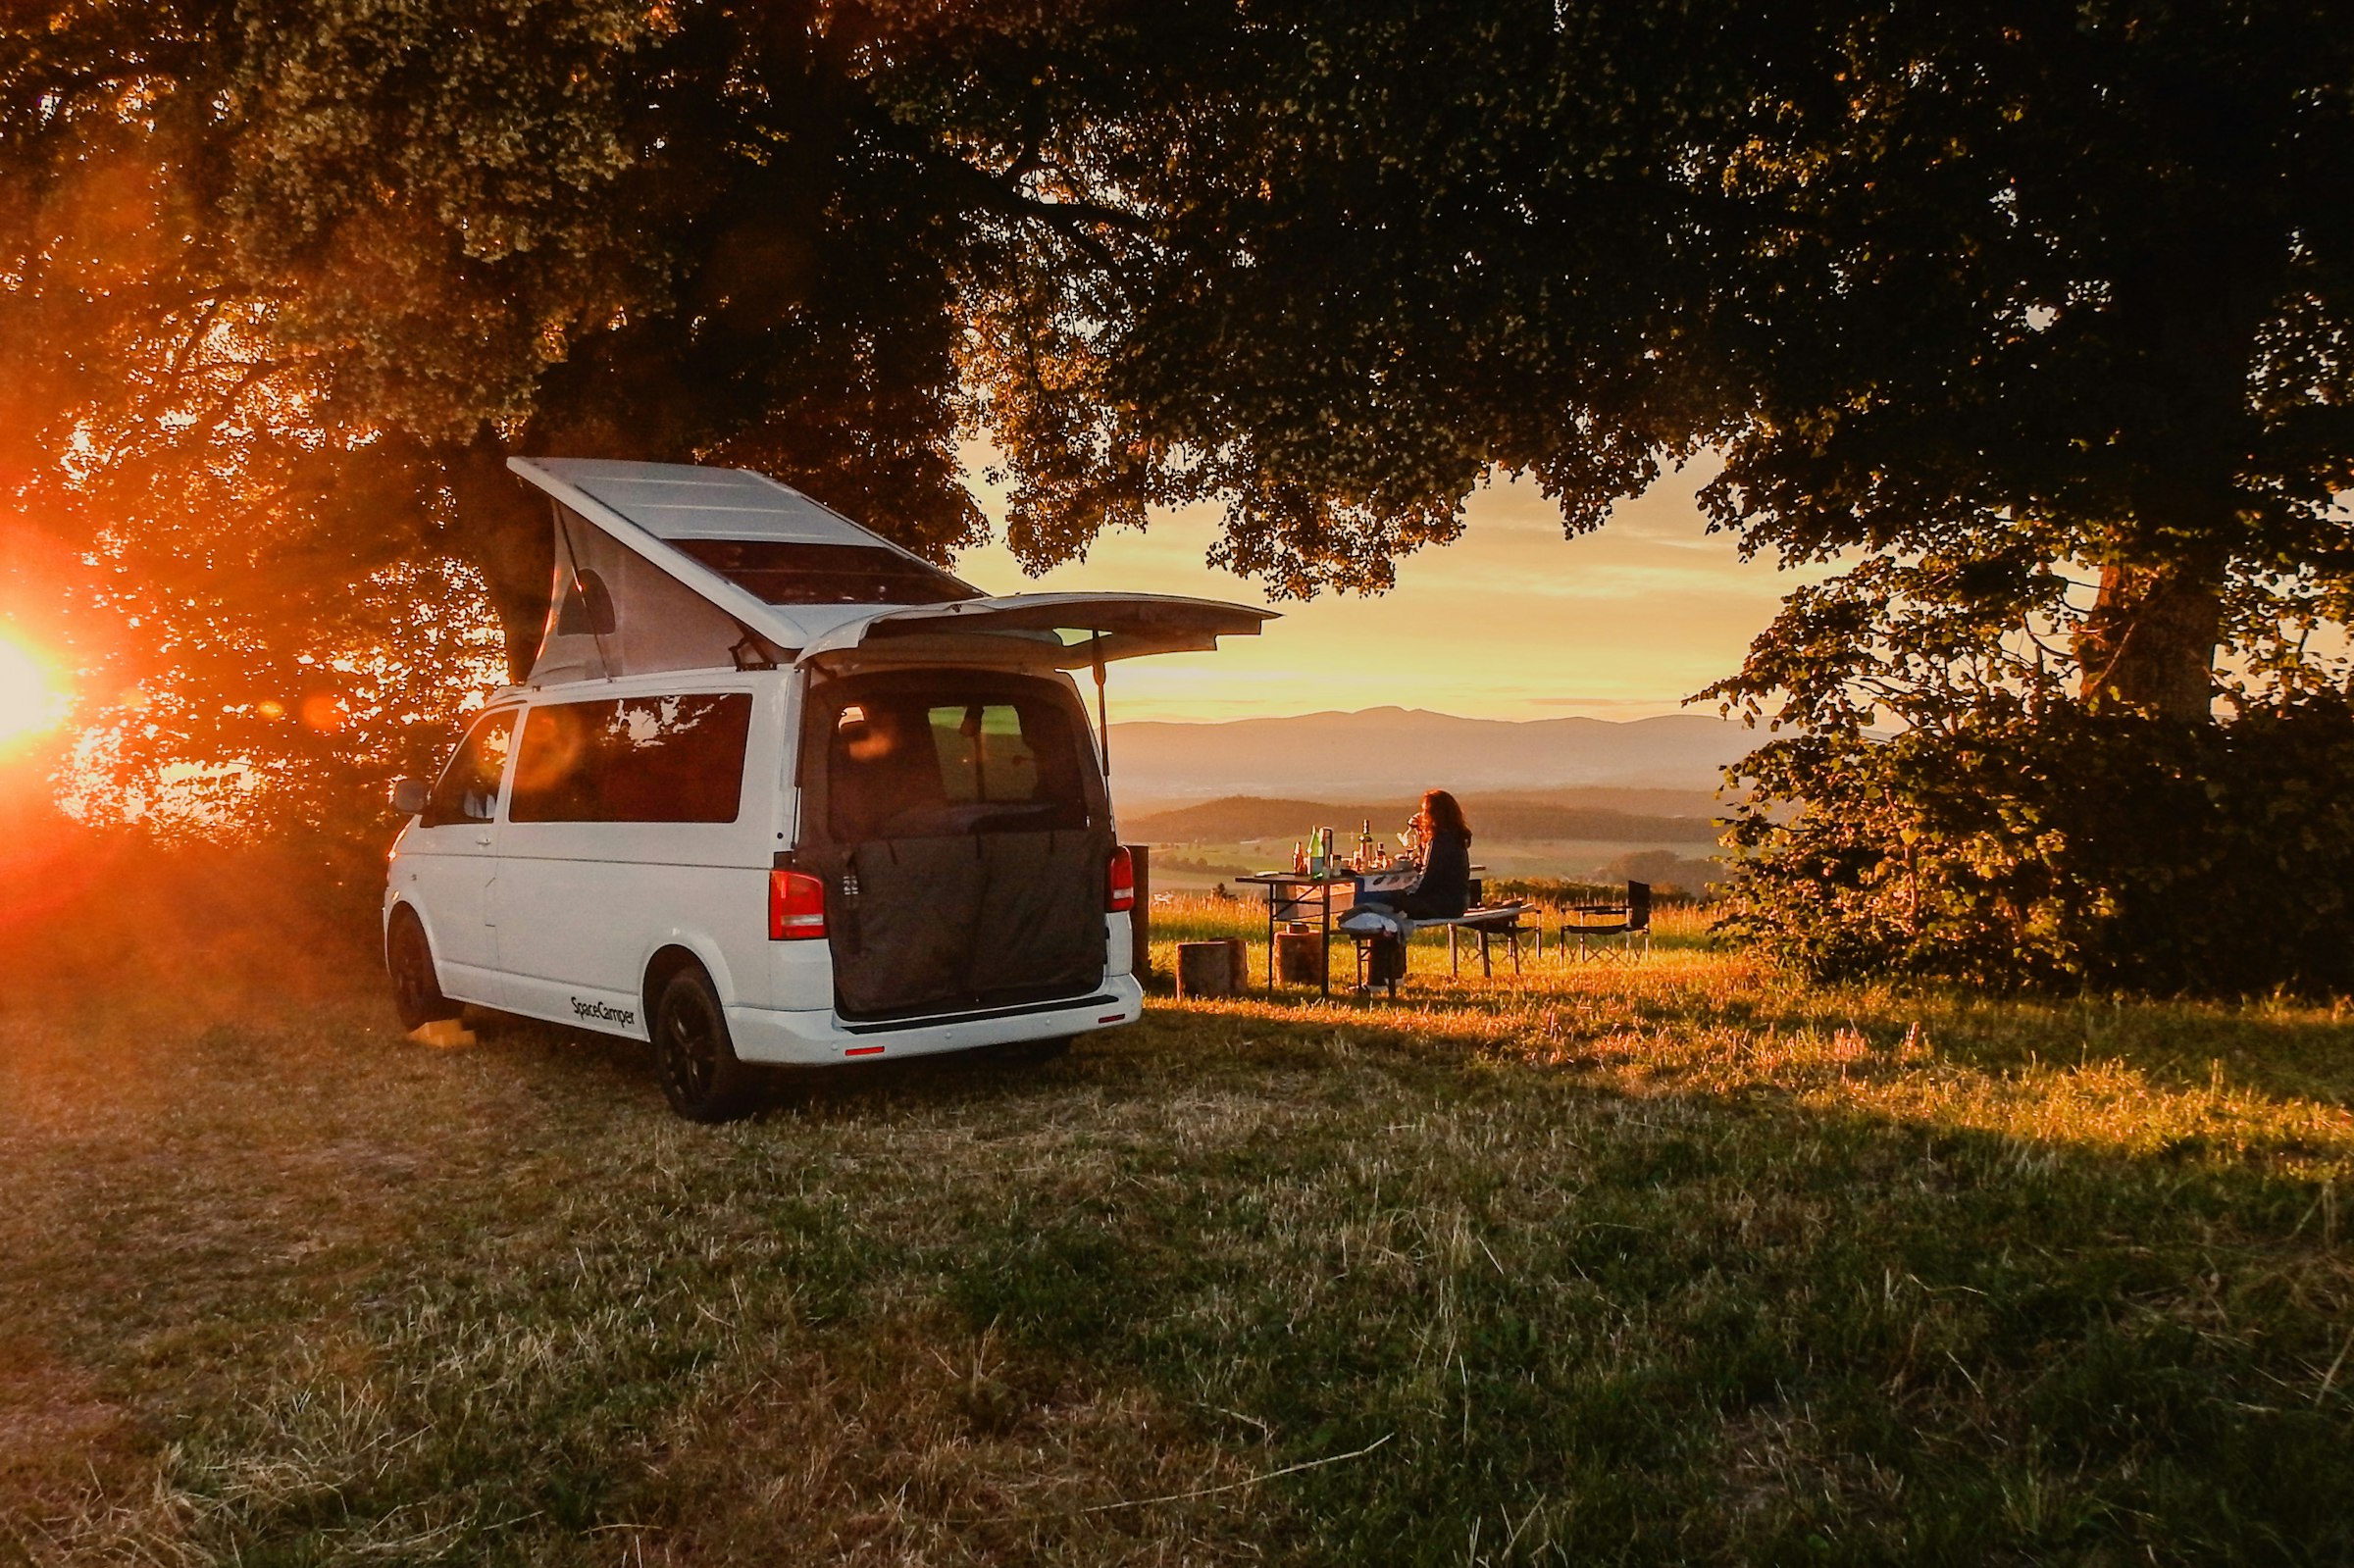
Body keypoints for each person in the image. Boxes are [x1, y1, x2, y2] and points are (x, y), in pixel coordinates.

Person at [1341, 789, 1473, 986]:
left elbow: (1426, 881)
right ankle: (1394, 976)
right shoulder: (1456, 837)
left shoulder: (1440, 840)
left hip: (1442, 903)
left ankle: (1378, 981)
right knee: (1390, 908)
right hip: (1457, 901)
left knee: (1383, 911)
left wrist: (1400, 895)